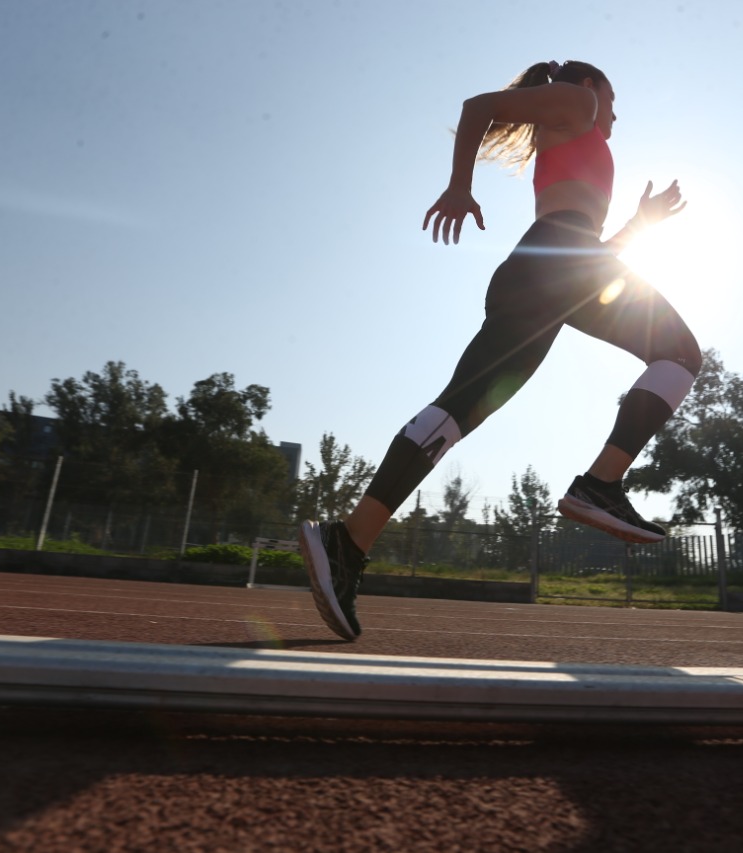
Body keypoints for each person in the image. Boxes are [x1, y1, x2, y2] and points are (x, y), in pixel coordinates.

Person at [300, 60, 702, 641]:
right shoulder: (580, 104)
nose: (614, 112)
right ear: (590, 88)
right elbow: (476, 108)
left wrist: (640, 222)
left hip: (549, 273)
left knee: (458, 410)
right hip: (562, 265)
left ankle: (348, 541)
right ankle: (600, 486)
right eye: (614, 98)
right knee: (680, 355)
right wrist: (459, 185)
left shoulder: (574, 132)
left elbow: (592, 254)